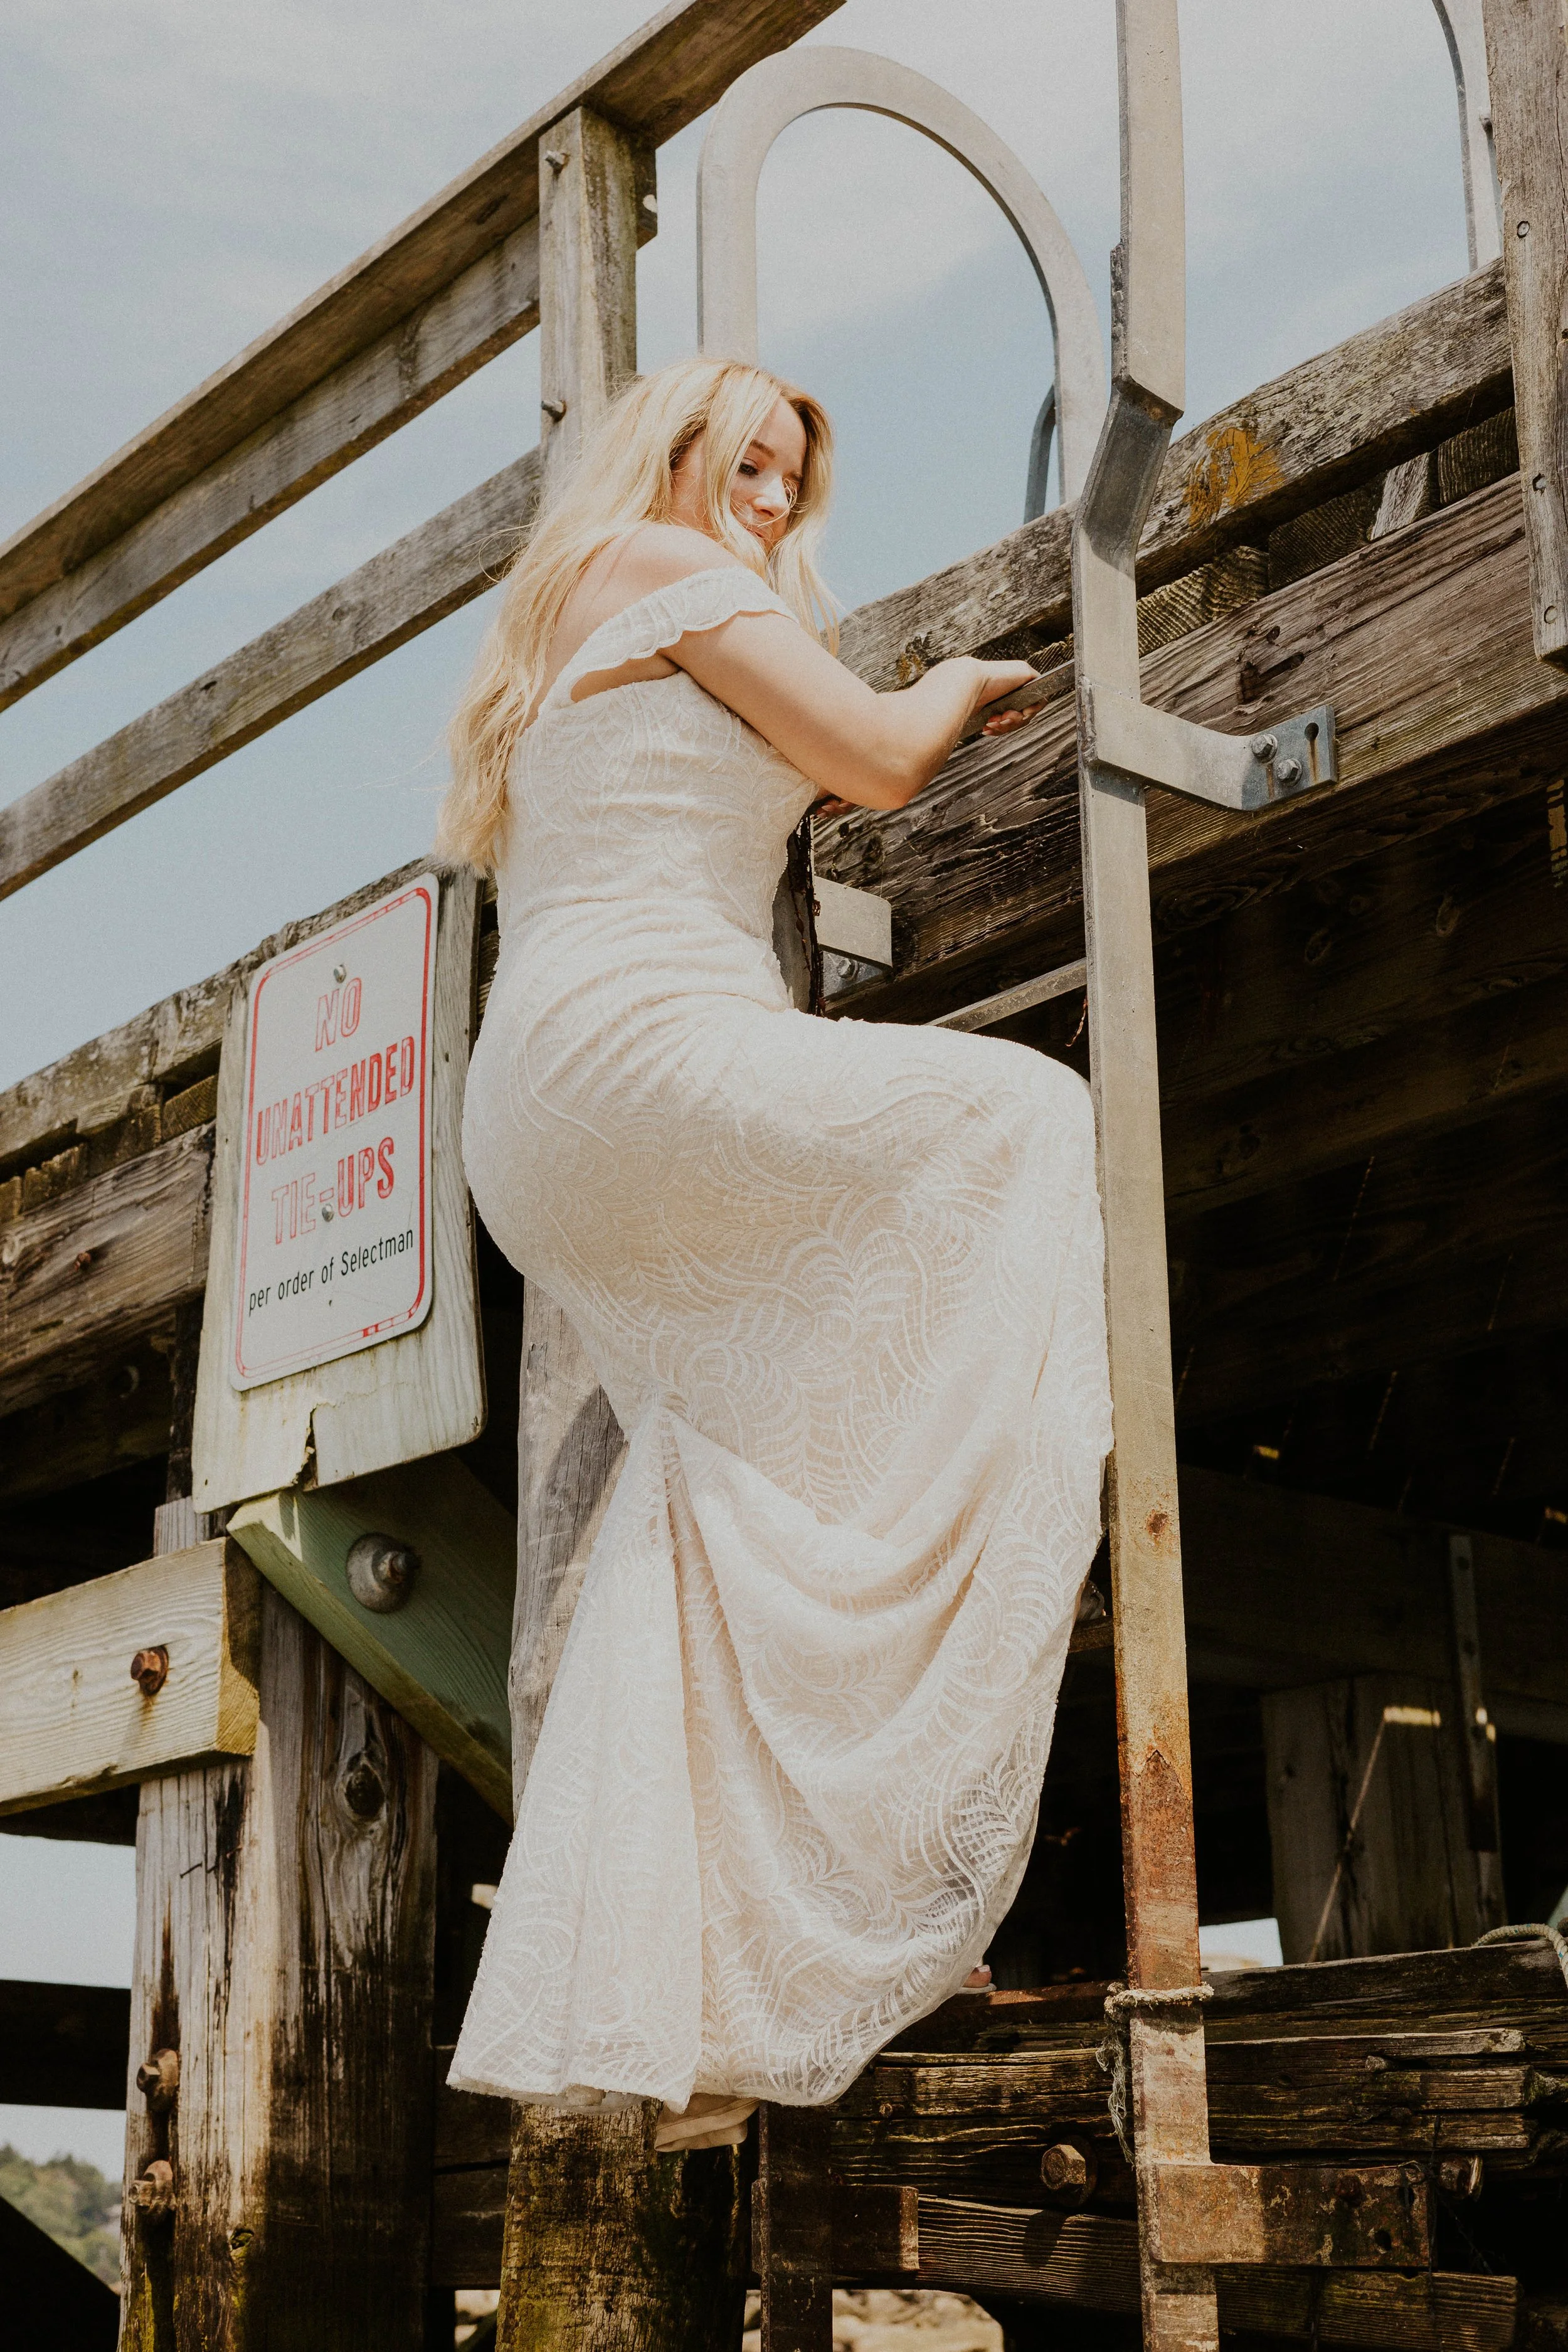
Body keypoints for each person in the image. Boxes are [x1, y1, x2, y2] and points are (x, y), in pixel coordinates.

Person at [440, 356, 1111, 2151]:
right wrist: (964, 681)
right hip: (633, 1050)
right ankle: (909, 1731)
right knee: (1023, 1123)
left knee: (735, 1469)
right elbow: (878, 758)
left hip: (552, 1108)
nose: (762, 503)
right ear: (667, 456)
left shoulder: (584, 617)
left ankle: (722, 1984)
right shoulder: (662, 569)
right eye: (743, 464)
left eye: (785, 484)